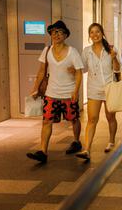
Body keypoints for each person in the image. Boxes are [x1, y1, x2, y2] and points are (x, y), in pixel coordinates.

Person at [26, 20, 84, 164]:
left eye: (60, 32)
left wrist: (76, 91)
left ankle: (76, 141)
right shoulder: (46, 51)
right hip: (51, 93)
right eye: (54, 32)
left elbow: (78, 72)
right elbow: (41, 72)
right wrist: (35, 89)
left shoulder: (73, 52)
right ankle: (43, 151)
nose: (56, 34)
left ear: (65, 35)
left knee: (74, 119)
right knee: (46, 121)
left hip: (68, 93)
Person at [75, 23, 122, 161]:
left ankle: (111, 141)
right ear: (89, 35)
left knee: (110, 117)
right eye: (92, 32)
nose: (95, 35)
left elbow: (118, 69)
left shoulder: (110, 49)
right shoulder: (86, 51)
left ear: (102, 33)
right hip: (93, 89)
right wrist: (74, 69)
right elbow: (82, 68)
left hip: (109, 88)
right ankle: (87, 149)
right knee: (92, 119)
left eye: (97, 32)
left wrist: (114, 57)